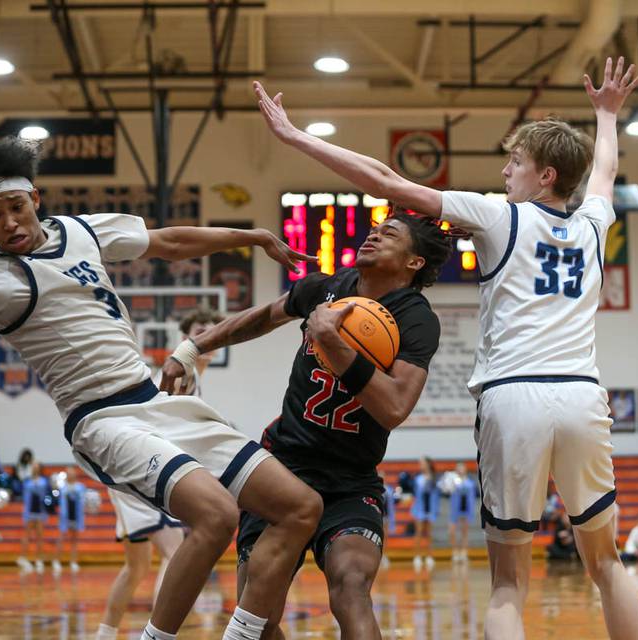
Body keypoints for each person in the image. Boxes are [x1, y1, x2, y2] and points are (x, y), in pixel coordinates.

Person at [249, 55, 638, 640]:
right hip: (584, 397)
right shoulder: (592, 222)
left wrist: (293, 135)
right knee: (607, 564)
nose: (507, 172)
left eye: (517, 163)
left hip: (514, 399)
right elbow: (605, 171)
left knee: (508, 583)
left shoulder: (498, 215)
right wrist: (607, 115)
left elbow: (386, 182)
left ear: (544, 177)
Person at [0, 137, 324, 640]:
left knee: (301, 506)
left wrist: (254, 234)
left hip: (157, 401)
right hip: (101, 420)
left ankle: (242, 633)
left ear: (35, 199)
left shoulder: (81, 230)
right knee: (215, 515)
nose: (10, 223)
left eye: (16, 207)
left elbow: (169, 242)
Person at [161, 210, 452, 639]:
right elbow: (262, 316)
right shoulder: (327, 287)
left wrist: (332, 342)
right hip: (283, 469)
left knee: (351, 586)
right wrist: (192, 347)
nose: (373, 235)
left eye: (388, 234)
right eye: (374, 229)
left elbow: (393, 407)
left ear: (414, 263)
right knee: (259, 618)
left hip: (350, 480)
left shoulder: (416, 318)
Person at [96, 308, 220, 640]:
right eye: (200, 330)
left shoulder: (192, 375)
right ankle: (159, 634)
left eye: (213, 330)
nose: (208, 335)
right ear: (185, 339)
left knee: (136, 567)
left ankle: (104, 635)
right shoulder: (183, 371)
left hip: (132, 466)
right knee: (175, 551)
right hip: (139, 464)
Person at [19, 461, 50, 574]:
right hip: (30, 511)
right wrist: (25, 513)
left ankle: (39, 560)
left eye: (37, 466)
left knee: (40, 536)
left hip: (40, 511)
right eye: (33, 466)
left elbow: (46, 496)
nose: (35, 468)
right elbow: (25, 498)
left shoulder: (44, 481)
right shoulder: (27, 482)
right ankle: (23, 557)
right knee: (27, 535)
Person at [54, 466, 86, 575]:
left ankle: (73, 562)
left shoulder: (80, 487)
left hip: (76, 517)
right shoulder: (63, 487)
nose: (70, 475)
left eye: (72, 473)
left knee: (74, 540)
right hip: (65, 517)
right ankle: (57, 561)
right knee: (61, 539)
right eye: (68, 473)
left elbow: (83, 501)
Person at [411, 456, 440, 571]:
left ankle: (429, 556)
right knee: (418, 532)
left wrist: (435, 510)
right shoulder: (418, 478)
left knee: (429, 533)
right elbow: (416, 495)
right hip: (420, 509)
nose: (421, 465)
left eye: (422, 463)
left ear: (428, 464)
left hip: (430, 509)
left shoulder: (434, 478)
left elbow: (436, 495)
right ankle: (417, 556)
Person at [448, 462, 477, 564]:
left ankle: (464, 553)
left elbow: (472, 498)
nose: (460, 470)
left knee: (464, 532)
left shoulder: (469, 483)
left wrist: (471, 511)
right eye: (458, 468)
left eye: (462, 468)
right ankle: (455, 552)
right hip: (455, 509)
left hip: (466, 509)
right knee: (452, 531)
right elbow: (447, 490)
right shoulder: (453, 482)